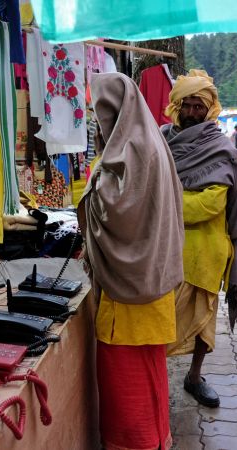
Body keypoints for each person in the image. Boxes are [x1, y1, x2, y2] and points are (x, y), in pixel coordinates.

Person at [79, 72, 184, 450]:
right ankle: (154, 440)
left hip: (129, 295)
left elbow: (116, 210)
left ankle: (134, 443)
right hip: (152, 284)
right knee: (150, 371)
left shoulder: (131, 152)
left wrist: (94, 183)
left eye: (100, 115)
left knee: (125, 381)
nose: (98, 124)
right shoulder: (150, 142)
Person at [162, 69, 237, 408]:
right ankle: (155, 379)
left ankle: (195, 376)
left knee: (202, 322)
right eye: (187, 105)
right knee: (159, 318)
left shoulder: (220, 148)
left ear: (210, 109)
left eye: (199, 106)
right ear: (176, 106)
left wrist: (163, 200)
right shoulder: (160, 141)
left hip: (206, 253)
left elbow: (210, 204)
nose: (192, 112)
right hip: (164, 250)